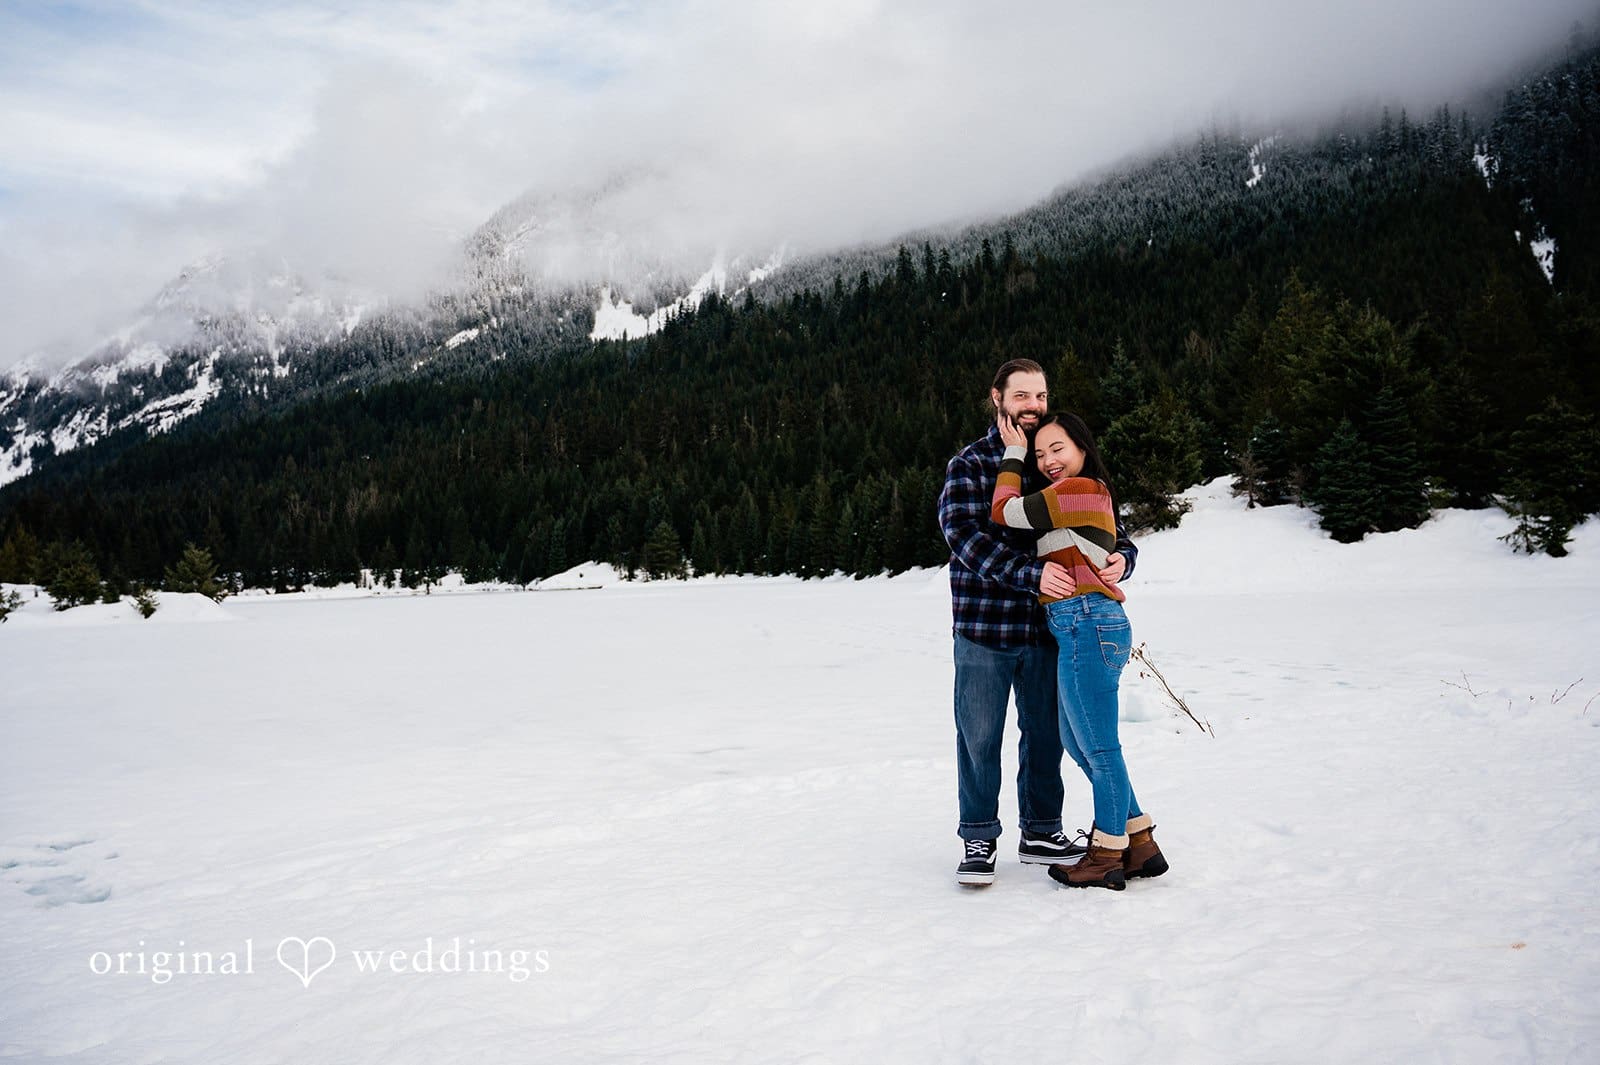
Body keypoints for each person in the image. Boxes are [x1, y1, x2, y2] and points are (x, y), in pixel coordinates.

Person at [937, 360, 1137, 887]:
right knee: (979, 736)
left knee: (1048, 735)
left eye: (1041, 395)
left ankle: (1042, 829)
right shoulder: (973, 464)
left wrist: (1124, 558)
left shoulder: (1054, 462)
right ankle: (978, 835)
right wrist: (1030, 574)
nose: (1032, 405)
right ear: (997, 398)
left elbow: (1103, 522)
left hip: (1054, 629)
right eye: (1021, 394)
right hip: (985, 627)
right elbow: (965, 538)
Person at [990, 410, 1168, 891]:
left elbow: (1004, 510)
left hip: (1088, 623)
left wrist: (1013, 454)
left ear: (1084, 450)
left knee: (1100, 747)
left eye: (1057, 449)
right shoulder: (1077, 495)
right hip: (1079, 625)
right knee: (1079, 742)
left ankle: (1107, 854)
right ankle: (1141, 841)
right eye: (1040, 452)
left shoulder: (1078, 490)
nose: (1048, 460)